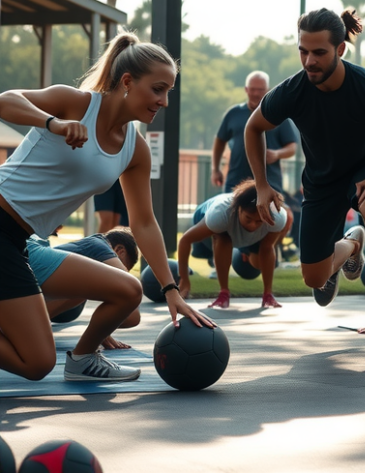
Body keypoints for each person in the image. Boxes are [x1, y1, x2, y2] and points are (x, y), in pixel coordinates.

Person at [0, 31, 212, 383]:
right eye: (158, 89)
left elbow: (144, 223)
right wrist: (53, 123)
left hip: (20, 242)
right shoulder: (75, 103)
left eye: (169, 92)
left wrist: (171, 290)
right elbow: (6, 100)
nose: (164, 101)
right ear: (127, 82)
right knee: (36, 362)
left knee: (128, 291)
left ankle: (83, 360)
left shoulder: (135, 149)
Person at [246, 8, 365, 360]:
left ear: (340, 49)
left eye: (319, 52)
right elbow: (254, 128)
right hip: (322, 181)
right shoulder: (293, 90)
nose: (309, 61)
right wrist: (262, 186)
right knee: (314, 279)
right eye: (303, 51)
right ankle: (352, 245)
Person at [176, 180, 292, 309]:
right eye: (248, 219)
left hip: (243, 237)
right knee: (223, 239)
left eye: (259, 221)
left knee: (254, 266)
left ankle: (266, 292)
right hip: (213, 224)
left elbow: (267, 248)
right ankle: (223, 293)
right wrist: (184, 279)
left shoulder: (277, 216)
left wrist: (268, 294)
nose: (253, 225)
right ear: (239, 209)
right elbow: (185, 240)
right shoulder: (220, 214)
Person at [35, 228, 140, 351]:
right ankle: (30, 324)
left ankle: (31, 322)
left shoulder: (89, 248)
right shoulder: (98, 245)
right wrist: (100, 330)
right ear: (119, 251)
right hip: (33, 293)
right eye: (124, 266)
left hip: (40, 297)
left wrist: (104, 329)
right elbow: (132, 316)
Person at [212, 71, 299, 194]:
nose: (256, 93)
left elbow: (292, 147)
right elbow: (220, 140)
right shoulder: (233, 113)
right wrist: (215, 169)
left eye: (260, 90)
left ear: (268, 90)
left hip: (270, 185)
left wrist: (277, 154)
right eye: (252, 89)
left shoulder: (278, 114)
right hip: (236, 184)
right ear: (246, 89)